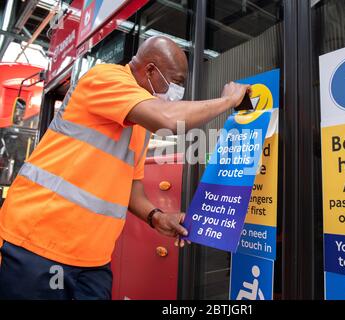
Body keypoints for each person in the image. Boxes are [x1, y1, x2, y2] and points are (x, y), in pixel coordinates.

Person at [0, 36, 250, 300]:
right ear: (150, 70)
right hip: (36, 246)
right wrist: (228, 101)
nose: (176, 91)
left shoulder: (138, 123)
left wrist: (156, 216)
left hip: (93, 260)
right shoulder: (106, 78)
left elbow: (132, 187)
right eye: (175, 82)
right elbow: (167, 119)